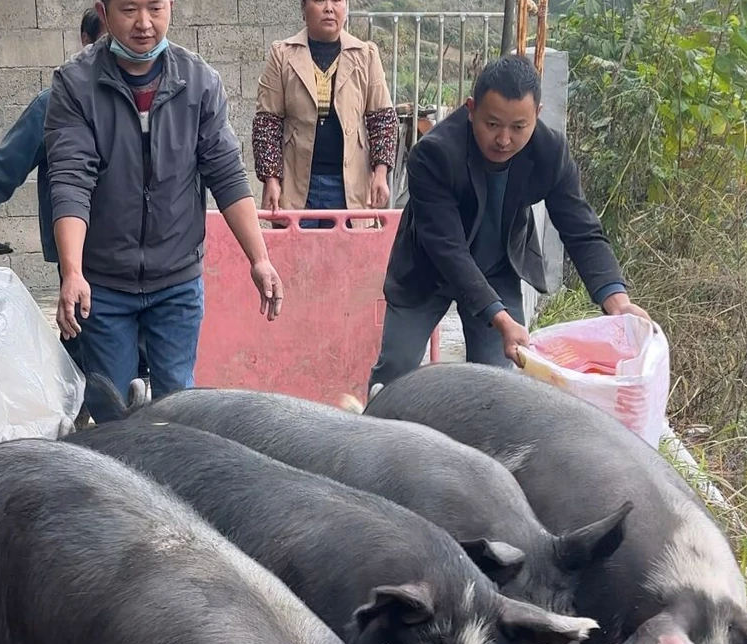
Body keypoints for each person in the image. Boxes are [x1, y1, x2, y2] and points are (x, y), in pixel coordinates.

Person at [45, 0, 285, 423]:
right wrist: (73, 271)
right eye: (129, 10)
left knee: (178, 409)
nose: (144, 23)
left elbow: (226, 174)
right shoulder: (76, 85)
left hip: (176, 280)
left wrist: (260, 259)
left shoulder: (199, 83)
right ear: (104, 11)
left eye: (155, 8)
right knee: (112, 411)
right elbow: (70, 180)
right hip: (105, 283)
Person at [368, 54, 649, 392]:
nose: (503, 139)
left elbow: (581, 230)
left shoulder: (550, 152)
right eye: (492, 124)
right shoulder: (434, 154)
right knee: (395, 373)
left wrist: (617, 301)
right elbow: (447, 249)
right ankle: (373, 421)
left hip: (496, 270)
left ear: (537, 115)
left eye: (518, 127)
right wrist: (500, 318)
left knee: (497, 386)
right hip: (428, 270)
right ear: (471, 109)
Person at [0, 9, 149, 412]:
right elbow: (2, 172)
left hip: (153, 265)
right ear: (87, 43)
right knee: (100, 374)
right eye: (109, 41)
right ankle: (85, 432)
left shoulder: (159, 97)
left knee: (143, 378)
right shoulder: (56, 103)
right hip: (87, 265)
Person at [253, 0, 397, 229]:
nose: (329, 8)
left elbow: (382, 119)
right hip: (297, 186)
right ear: (303, 8)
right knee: (296, 251)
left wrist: (380, 173)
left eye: (337, 1)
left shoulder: (366, 55)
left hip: (351, 188)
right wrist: (271, 179)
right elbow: (267, 122)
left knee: (346, 251)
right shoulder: (282, 55)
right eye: (320, 1)